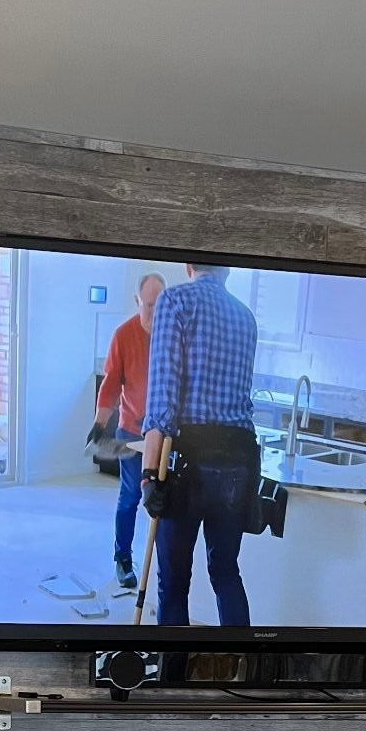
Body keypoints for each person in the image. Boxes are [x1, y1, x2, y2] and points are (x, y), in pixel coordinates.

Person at [140, 263, 259, 627]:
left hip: (188, 459)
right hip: (239, 459)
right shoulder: (246, 316)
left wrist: (148, 475)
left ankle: (171, 681)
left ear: (188, 266)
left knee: (174, 584)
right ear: (228, 270)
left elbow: (162, 406)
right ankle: (243, 674)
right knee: (226, 573)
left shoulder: (174, 301)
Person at [87, 272, 164, 587]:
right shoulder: (123, 335)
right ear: (137, 301)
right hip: (131, 432)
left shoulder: (172, 335)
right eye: (148, 305)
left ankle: (164, 567)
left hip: (166, 436)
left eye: (160, 305)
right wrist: (99, 423)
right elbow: (110, 384)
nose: (154, 313)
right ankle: (123, 558)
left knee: (163, 500)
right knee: (132, 495)